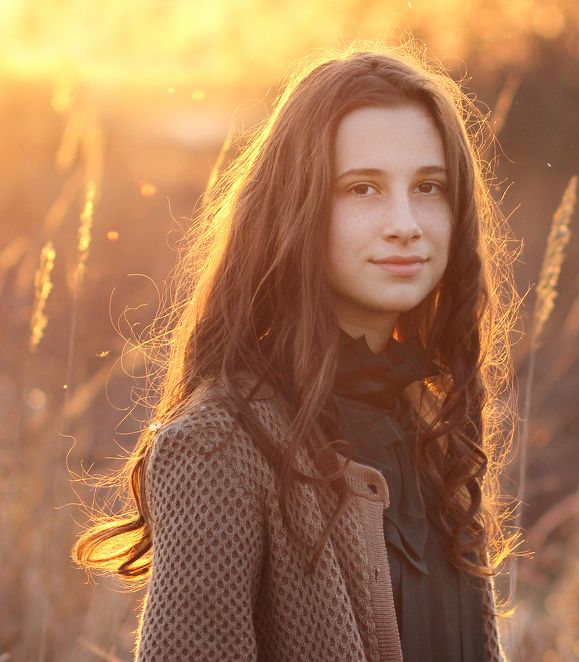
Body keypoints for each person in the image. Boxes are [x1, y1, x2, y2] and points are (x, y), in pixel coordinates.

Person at [72, 45, 519, 661]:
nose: (405, 222)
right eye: (363, 188)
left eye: (429, 187)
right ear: (297, 207)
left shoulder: (429, 430)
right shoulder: (220, 443)